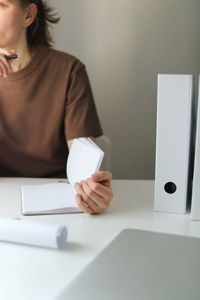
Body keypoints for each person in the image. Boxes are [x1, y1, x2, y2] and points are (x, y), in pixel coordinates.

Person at [0, 0, 113, 214]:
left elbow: (83, 165)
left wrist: (91, 193)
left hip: (56, 203)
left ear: (28, 15)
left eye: (1, 4)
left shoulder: (69, 72)